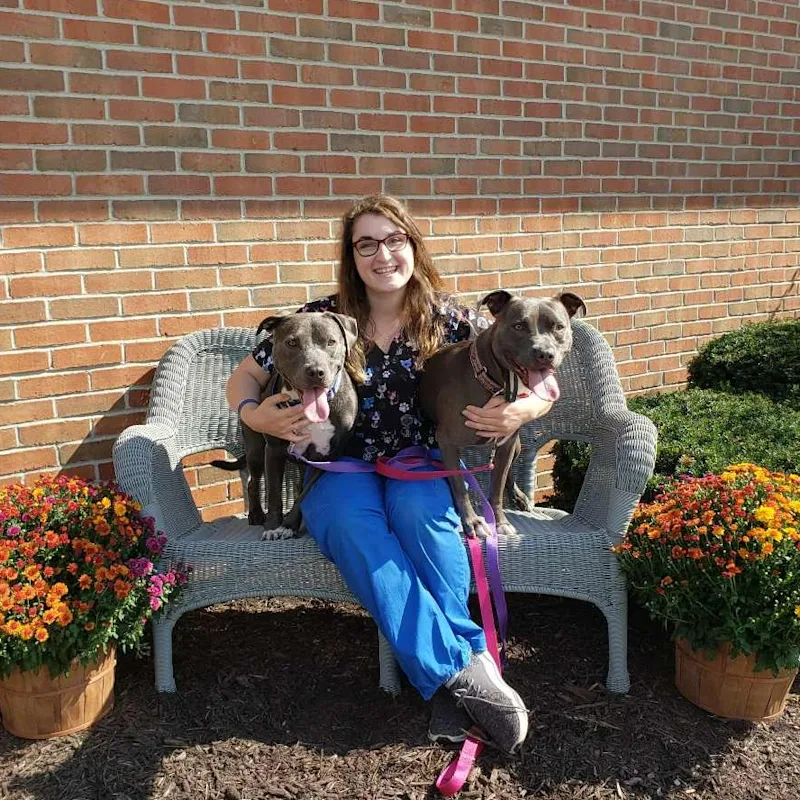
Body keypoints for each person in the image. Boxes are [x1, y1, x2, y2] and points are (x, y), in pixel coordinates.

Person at [226, 194, 553, 754]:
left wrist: (527, 408)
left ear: (412, 246)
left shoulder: (454, 318)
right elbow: (245, 376)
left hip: (423, 463)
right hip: (339, 465)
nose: (383, 254)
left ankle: (447, 683)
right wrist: (254, 416)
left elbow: (537, 367)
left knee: (424, 523)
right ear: (352, 256)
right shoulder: (321, 317)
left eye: (394, 239)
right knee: (353, 528)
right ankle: (463, 672)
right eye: (367, 244)